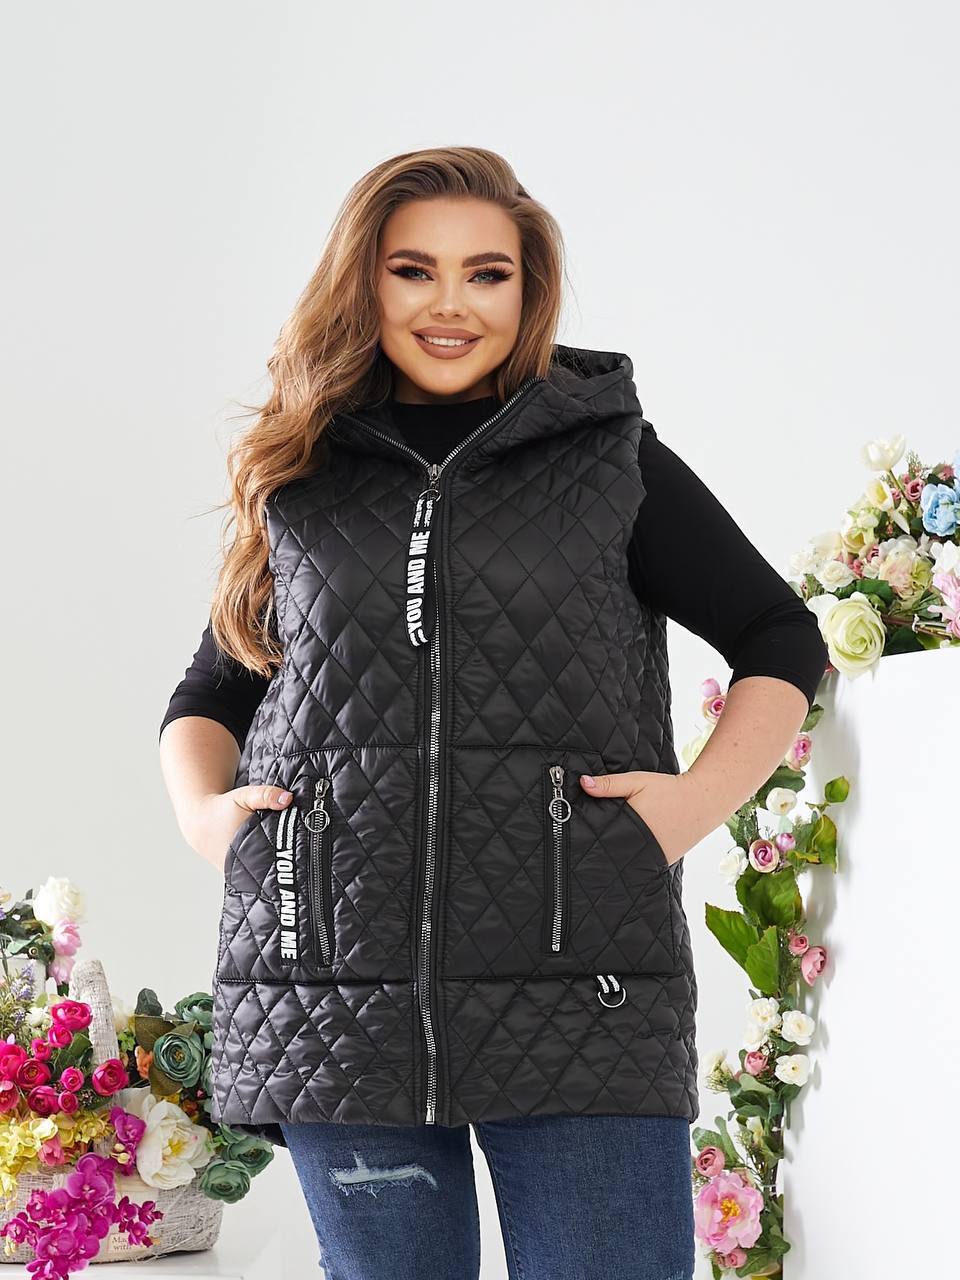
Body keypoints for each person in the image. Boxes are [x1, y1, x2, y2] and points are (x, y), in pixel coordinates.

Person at [158, 146, 828, 1280]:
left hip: (584, 983)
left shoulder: (609, 457)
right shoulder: (304, 468)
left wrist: (692, 806)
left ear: (530, 290)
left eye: (487, 273)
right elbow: (217, 687)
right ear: (364, 282)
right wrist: (206, 817)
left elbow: (778, 635)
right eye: (414, 270)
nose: (451, 304)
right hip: (336, 997)